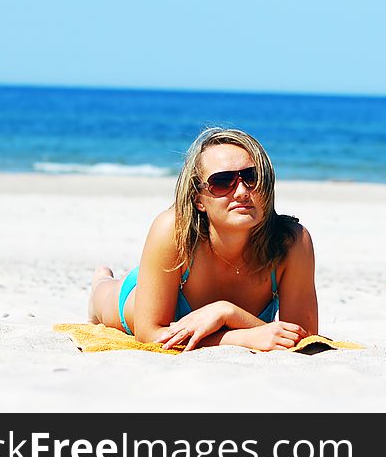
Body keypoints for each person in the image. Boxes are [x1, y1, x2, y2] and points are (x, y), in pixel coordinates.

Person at [87, 127, 317, 351]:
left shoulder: (292, 242)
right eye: (222, 182)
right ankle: (101, 280)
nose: (241, 192)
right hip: (158, 283)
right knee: (105, 299)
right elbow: (149, 335)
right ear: (199, 199)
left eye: (252, 177)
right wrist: (238, 331)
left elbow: (305, 339)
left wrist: (227, 314)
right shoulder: (172, 229)